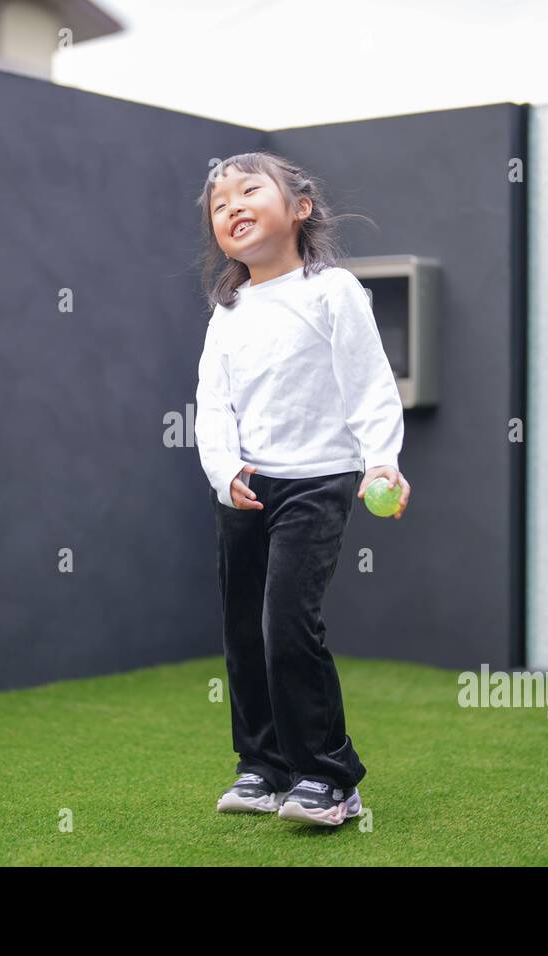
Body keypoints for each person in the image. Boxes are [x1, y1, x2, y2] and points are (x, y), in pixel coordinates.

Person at [193, 152, 410, 826]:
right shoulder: (227, 310)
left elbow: (370, 380)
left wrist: (382, 461)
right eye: (219, 202)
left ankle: (328, 777)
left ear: (300, 208)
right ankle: (261, 766)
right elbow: (211, 402)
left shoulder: (332, 289)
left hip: (318, 482)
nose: (231, 205)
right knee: (244, 634)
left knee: (287, 626)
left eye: (249, 190)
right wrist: (224, 471)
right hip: (247, 488)